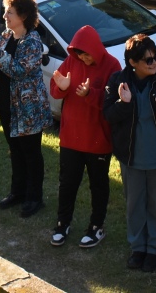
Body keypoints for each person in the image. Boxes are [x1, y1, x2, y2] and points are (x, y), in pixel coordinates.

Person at [103, 33, 156, 273]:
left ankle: (155, 249)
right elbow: (108, 116)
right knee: (134, 204)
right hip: (132, 157)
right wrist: (123, 103)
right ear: (133, 62)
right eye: (148, 59)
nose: (154, 63)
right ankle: (138, 247)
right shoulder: (118, 81)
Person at [0, 0, 52, 218]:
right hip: (8, 105)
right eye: (6, 11)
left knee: (31, 153)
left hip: (28, 109)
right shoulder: (6, 35)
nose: (5, 16)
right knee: (15, 151)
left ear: (24, 15)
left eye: (9, 12)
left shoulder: (33, 41)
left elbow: (19, 71)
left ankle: (34, 197)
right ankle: (17, 192)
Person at [49, 25, 120, 248]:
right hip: (71, 137)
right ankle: (62, 224)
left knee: (98, 185)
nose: (83, 58)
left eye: (86, 53)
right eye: (79, 53)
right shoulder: (72, 61)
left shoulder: (112, 65)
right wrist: (61, 88)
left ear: (96, 49)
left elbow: (113, 101)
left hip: (98, 140)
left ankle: (96, 227)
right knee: (67, 182)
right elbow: (56, 88)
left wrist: (90, 93)